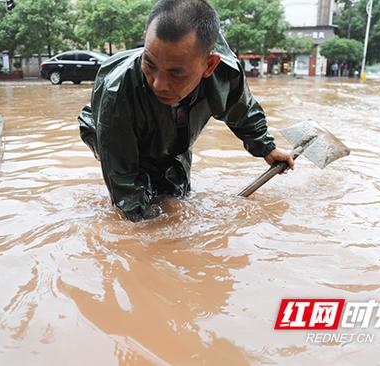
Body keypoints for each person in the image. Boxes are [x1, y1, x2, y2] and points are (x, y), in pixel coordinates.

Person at [78, 0, 293, 222]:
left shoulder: (225, 73)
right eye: (150, 64)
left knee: (176, 195)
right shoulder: (117, 92)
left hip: (175, 134)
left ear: (209, 65)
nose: (159, 84)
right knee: (138, 202)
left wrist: (266, 148)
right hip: (110, 127)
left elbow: (242, 110)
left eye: (176, 74)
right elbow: (123, 177)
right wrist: (141, 234)